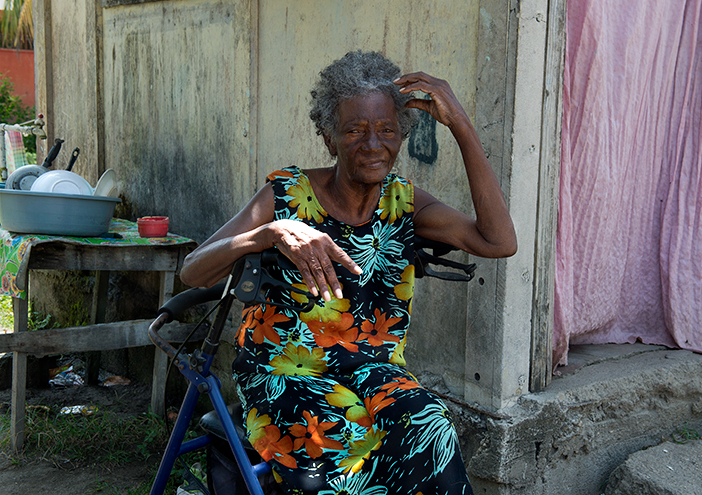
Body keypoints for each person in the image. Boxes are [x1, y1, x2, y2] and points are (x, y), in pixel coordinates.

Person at [181, 50, 516, 495]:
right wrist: (268, 233)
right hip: (287, 371)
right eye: (355, 130)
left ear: (402, 135)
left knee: (430, 424)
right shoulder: (287, 195)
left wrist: (461, 126)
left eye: (387, 130)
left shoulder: (406, 204)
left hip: (373, 369)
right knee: (339, 453)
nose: (373, 144)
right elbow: (192, 270)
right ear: (328, 136)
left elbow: (499, 242)